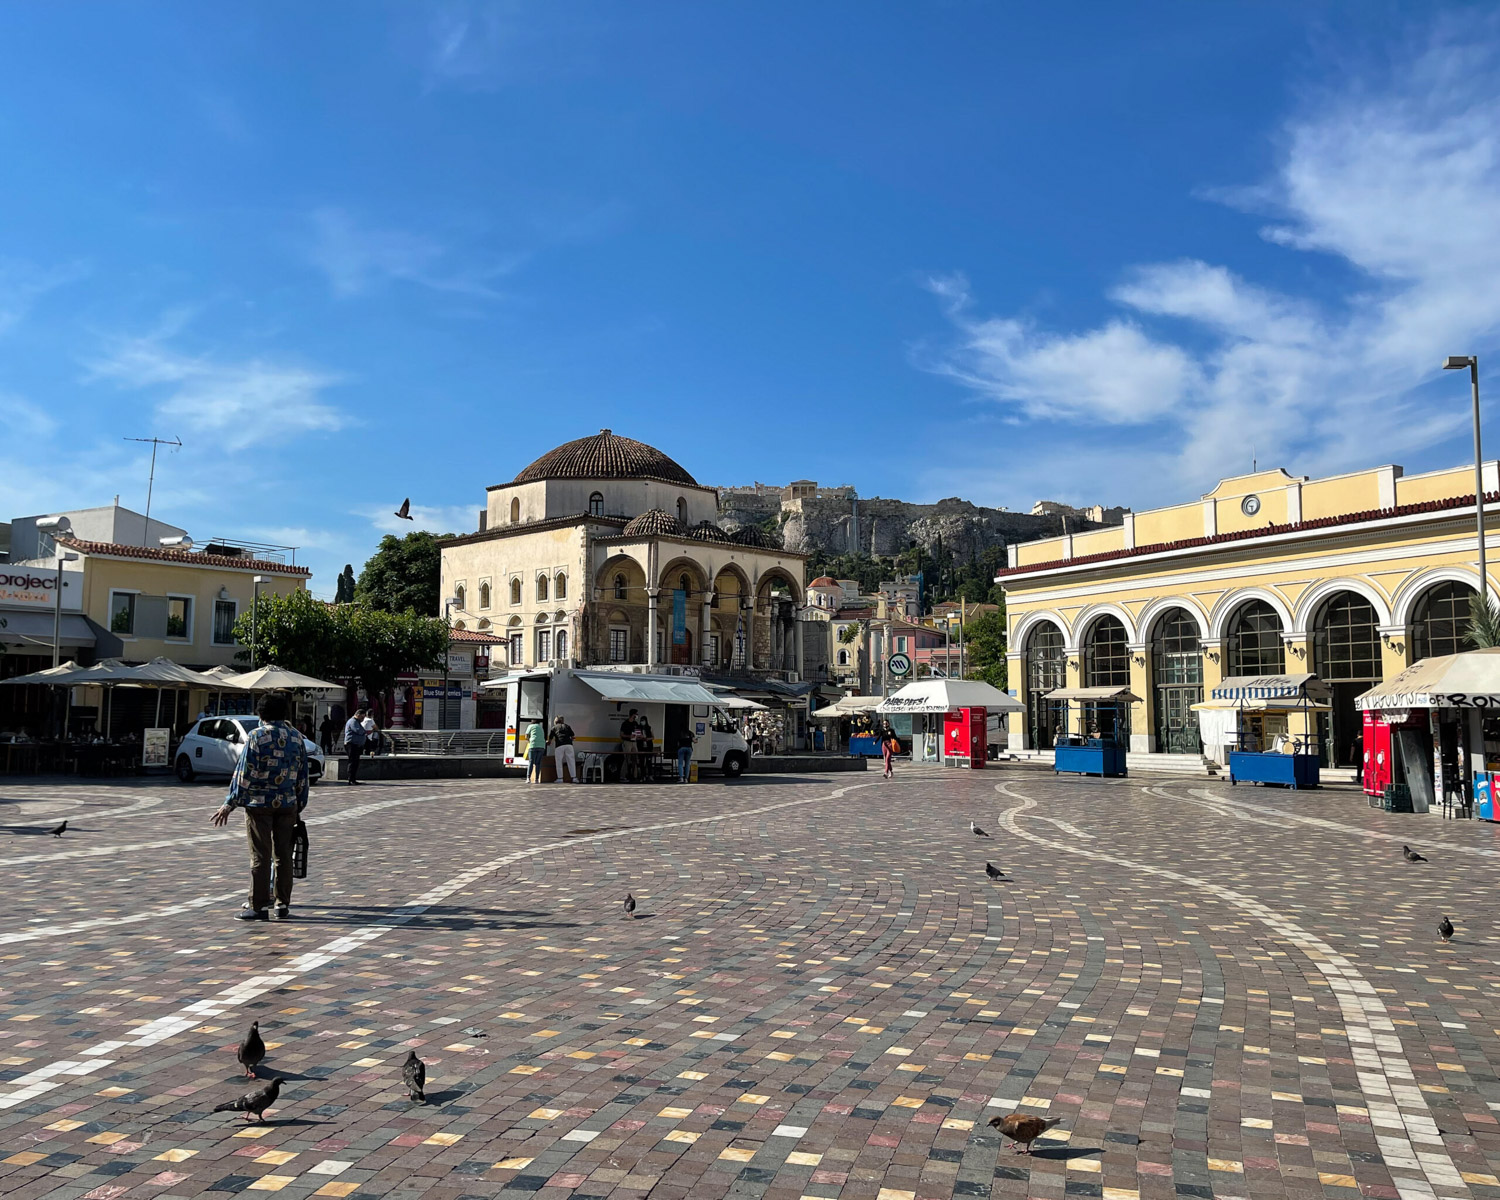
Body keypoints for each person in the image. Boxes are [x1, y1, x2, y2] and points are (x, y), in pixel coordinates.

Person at [210, 692, 309, 921]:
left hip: (259, 805)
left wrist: (230, 803)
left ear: (261, 714)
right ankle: (282, 905)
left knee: (260, 856)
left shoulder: (256, 736)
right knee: (284, 855)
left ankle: (258, 905)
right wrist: (299, 804)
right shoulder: (296, 737)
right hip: (287, 804)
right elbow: (302, 775)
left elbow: (245, 773)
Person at [550, 714, 578, 783]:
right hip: (569, 745)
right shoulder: (567, 726)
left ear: (556, 721)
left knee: (559, 762)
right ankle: (574, 778)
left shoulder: (554, 728)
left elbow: (550, 739)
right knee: (571, 761)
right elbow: (573, 736)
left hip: (559, 745)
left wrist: (548, 742)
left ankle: (560, 778)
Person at [342, 708, 367, 785]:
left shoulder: (357, 722)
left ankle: (353, 778)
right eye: (362, 717)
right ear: (358, 715)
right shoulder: (353, 721)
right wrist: (365, 732)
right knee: (352, 762)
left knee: (356, 762)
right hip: (351, 745)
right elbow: (359, 731)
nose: (363, 719)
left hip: (356, 745)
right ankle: (351, 779)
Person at [525, 714, 547, 783]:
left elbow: (526, 736)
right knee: (538, 763)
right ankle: (536, 779)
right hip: (542, 746)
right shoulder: (540, 727)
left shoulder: (530, 726)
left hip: (533, 745)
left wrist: (529, 740)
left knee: (531, 761)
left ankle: (528, 778)